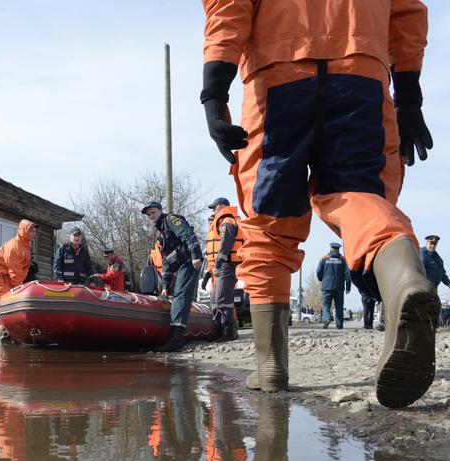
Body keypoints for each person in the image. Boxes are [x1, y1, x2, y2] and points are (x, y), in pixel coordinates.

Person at [200, 0, 439, 408]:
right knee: (360, 196)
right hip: (362, 74)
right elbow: (407, 12)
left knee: (269, 221)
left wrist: (214, 89)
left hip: (277, 74)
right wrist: (409, 97)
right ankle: (404, 280)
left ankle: (271, 366)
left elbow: (229, 7)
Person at [142, 201, 204, 352]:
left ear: (160, 211)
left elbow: (188, 234)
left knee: (181, 294)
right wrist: (165, 286)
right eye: (149, 215)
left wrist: (196, 255)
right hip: (180, 264)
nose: (151, 216)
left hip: (189, 261)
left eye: (153, 212)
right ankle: (173, 334)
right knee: (177, 295)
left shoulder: (171, 220)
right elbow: (166, 262)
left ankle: (177, 338)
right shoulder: (161, 234)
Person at [0, 219, 36, 343]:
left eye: (34, 231)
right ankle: (4, 336)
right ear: (24, 231)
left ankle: (14, 335)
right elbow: (14, 271)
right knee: (5, 303)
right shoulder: (14, 246)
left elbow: (22, 270)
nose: (34, 233)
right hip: (0, 276)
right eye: (31, 230)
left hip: (11, 277)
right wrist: (20, 288)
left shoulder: (26, 246)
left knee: (13, 303)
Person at [205, 197, 244, 341]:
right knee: (215, 299)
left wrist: (218, 264)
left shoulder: (227, 221)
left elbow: (225, 245)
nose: (213, 211)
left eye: (214, 208)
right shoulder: (223, 221)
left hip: (227, 264)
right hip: (222, 265)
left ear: (221, 206)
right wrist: (211, 269)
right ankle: (219, 330)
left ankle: (229, 332)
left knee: (223, 298)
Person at [317, 243, 352, 330]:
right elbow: (348, 274)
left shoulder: (324, 258)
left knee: (326, 305)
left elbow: (318, 271)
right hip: (339, 287)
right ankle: (339, 326)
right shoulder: (343, 259)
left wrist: (322, 279)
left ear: (330, 249)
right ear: (338, 250)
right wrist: (348, 287)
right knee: (339, 307)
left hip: (326, 287)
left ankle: (327, 318)